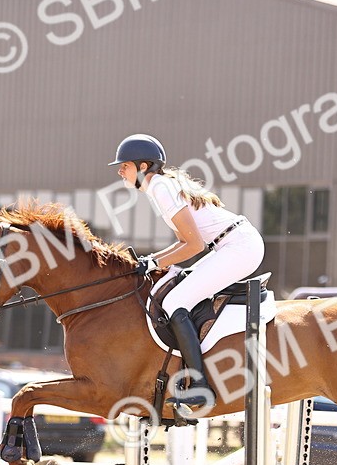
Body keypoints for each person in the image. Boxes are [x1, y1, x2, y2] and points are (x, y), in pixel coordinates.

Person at [111, 134, 264, 414]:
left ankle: (201, 386)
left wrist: (154, 263)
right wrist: (154, 260)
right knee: (173, 289)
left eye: (125, 165)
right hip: (229, 246)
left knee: (173, 302)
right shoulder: (160, 187)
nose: (120, 170)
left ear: (143, 166)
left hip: (239, 247)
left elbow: (194, 245)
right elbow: (186, 242)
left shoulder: (161, 188)